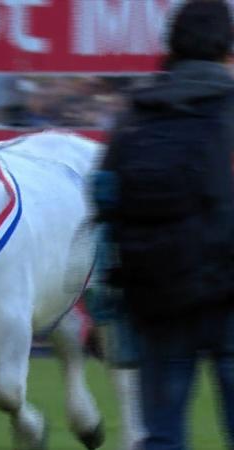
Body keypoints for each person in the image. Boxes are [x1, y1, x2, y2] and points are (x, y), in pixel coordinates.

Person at [94, 1, 234, 449]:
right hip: (227, 291)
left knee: (162, 434)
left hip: (158, 295)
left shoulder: (136, 114)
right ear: (227, 50)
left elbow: (103, 197)